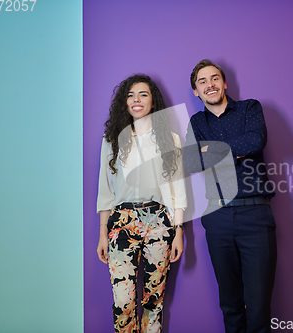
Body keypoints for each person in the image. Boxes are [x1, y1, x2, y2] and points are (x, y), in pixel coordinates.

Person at [183, 60, 277, 333]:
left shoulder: (250, 108)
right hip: (217, 217)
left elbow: (255, 140)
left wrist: (212, 152)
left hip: (255, 215)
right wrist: (232, 151)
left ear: (224, 83)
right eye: (202, 81)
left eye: (214, 78)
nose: (209, 84)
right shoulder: (197, 122)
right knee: (230, 305)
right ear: (196, 92)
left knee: (259, 306)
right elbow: (192, 162)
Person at [96, 74, 186, 333]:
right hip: (120, 221)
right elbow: (105, 189)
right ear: (124, 102)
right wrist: (103, 233)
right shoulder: (111, 140)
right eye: (131, 95)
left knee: (154, 300)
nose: (136, 100)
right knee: (123, 303)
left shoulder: (170, 140)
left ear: (153, 101)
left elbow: (177, 187)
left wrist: (179, 230)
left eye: (143, 94)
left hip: (159, 221)